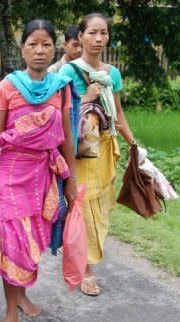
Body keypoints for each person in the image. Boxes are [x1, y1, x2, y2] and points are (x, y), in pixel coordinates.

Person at [0, 19, 78, 322]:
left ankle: (22, 295)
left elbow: (67, 138)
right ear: (22, 48)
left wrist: (70, 180)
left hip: (43, 176)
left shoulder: (61, 87)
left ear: (54, 48)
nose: (40, 51)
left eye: (46, 44)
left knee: (31, 241)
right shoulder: (8, 87)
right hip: (11, 175)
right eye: (33, 44)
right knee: (12, 243)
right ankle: (10, 313)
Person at [58, 13, 136, 296]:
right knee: (83, 207)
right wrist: (87, 98)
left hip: (103, 148)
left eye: (103, 33)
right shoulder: (68, 72)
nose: (99, 38)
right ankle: (86, 268)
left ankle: (84, 257)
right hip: (79, 151)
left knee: (100, 207)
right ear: (80, 37)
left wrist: (134, 143)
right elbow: (59, 114)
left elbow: (118, 114)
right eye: (92, 32)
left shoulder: (112, 73)